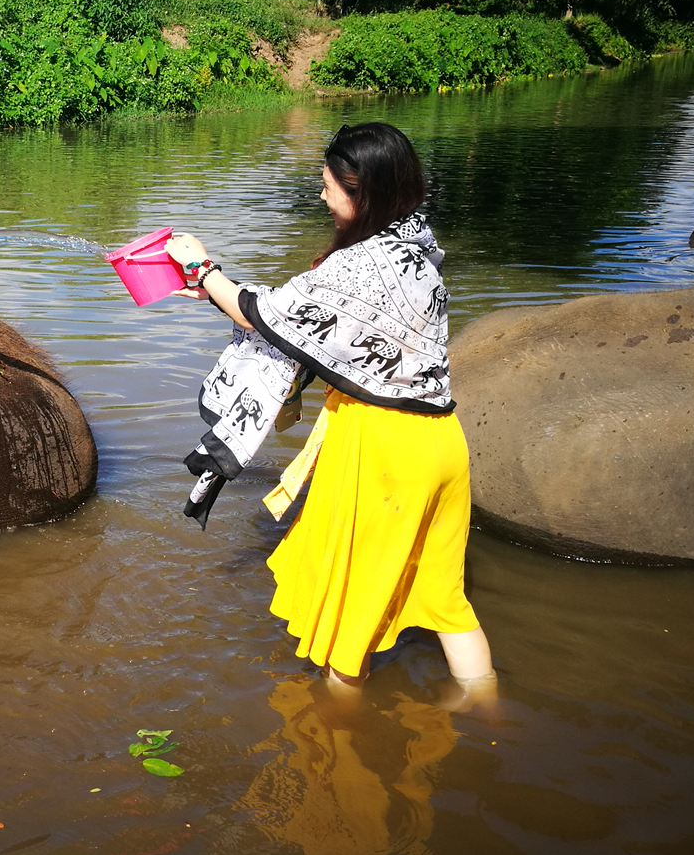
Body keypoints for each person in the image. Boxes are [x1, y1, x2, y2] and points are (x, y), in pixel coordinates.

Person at [164, 122, 494, 694]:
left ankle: (332, 739)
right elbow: (296, 314)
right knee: (446, 596)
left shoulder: (355, 266)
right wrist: (222, 291)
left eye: (326, 185)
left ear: (359, 191)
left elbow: (261, 314)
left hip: (384, 446)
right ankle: (488, 709)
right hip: (442, 440)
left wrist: (202, 269)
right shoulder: (418, 245)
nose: (320, 196)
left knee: (351, 601)